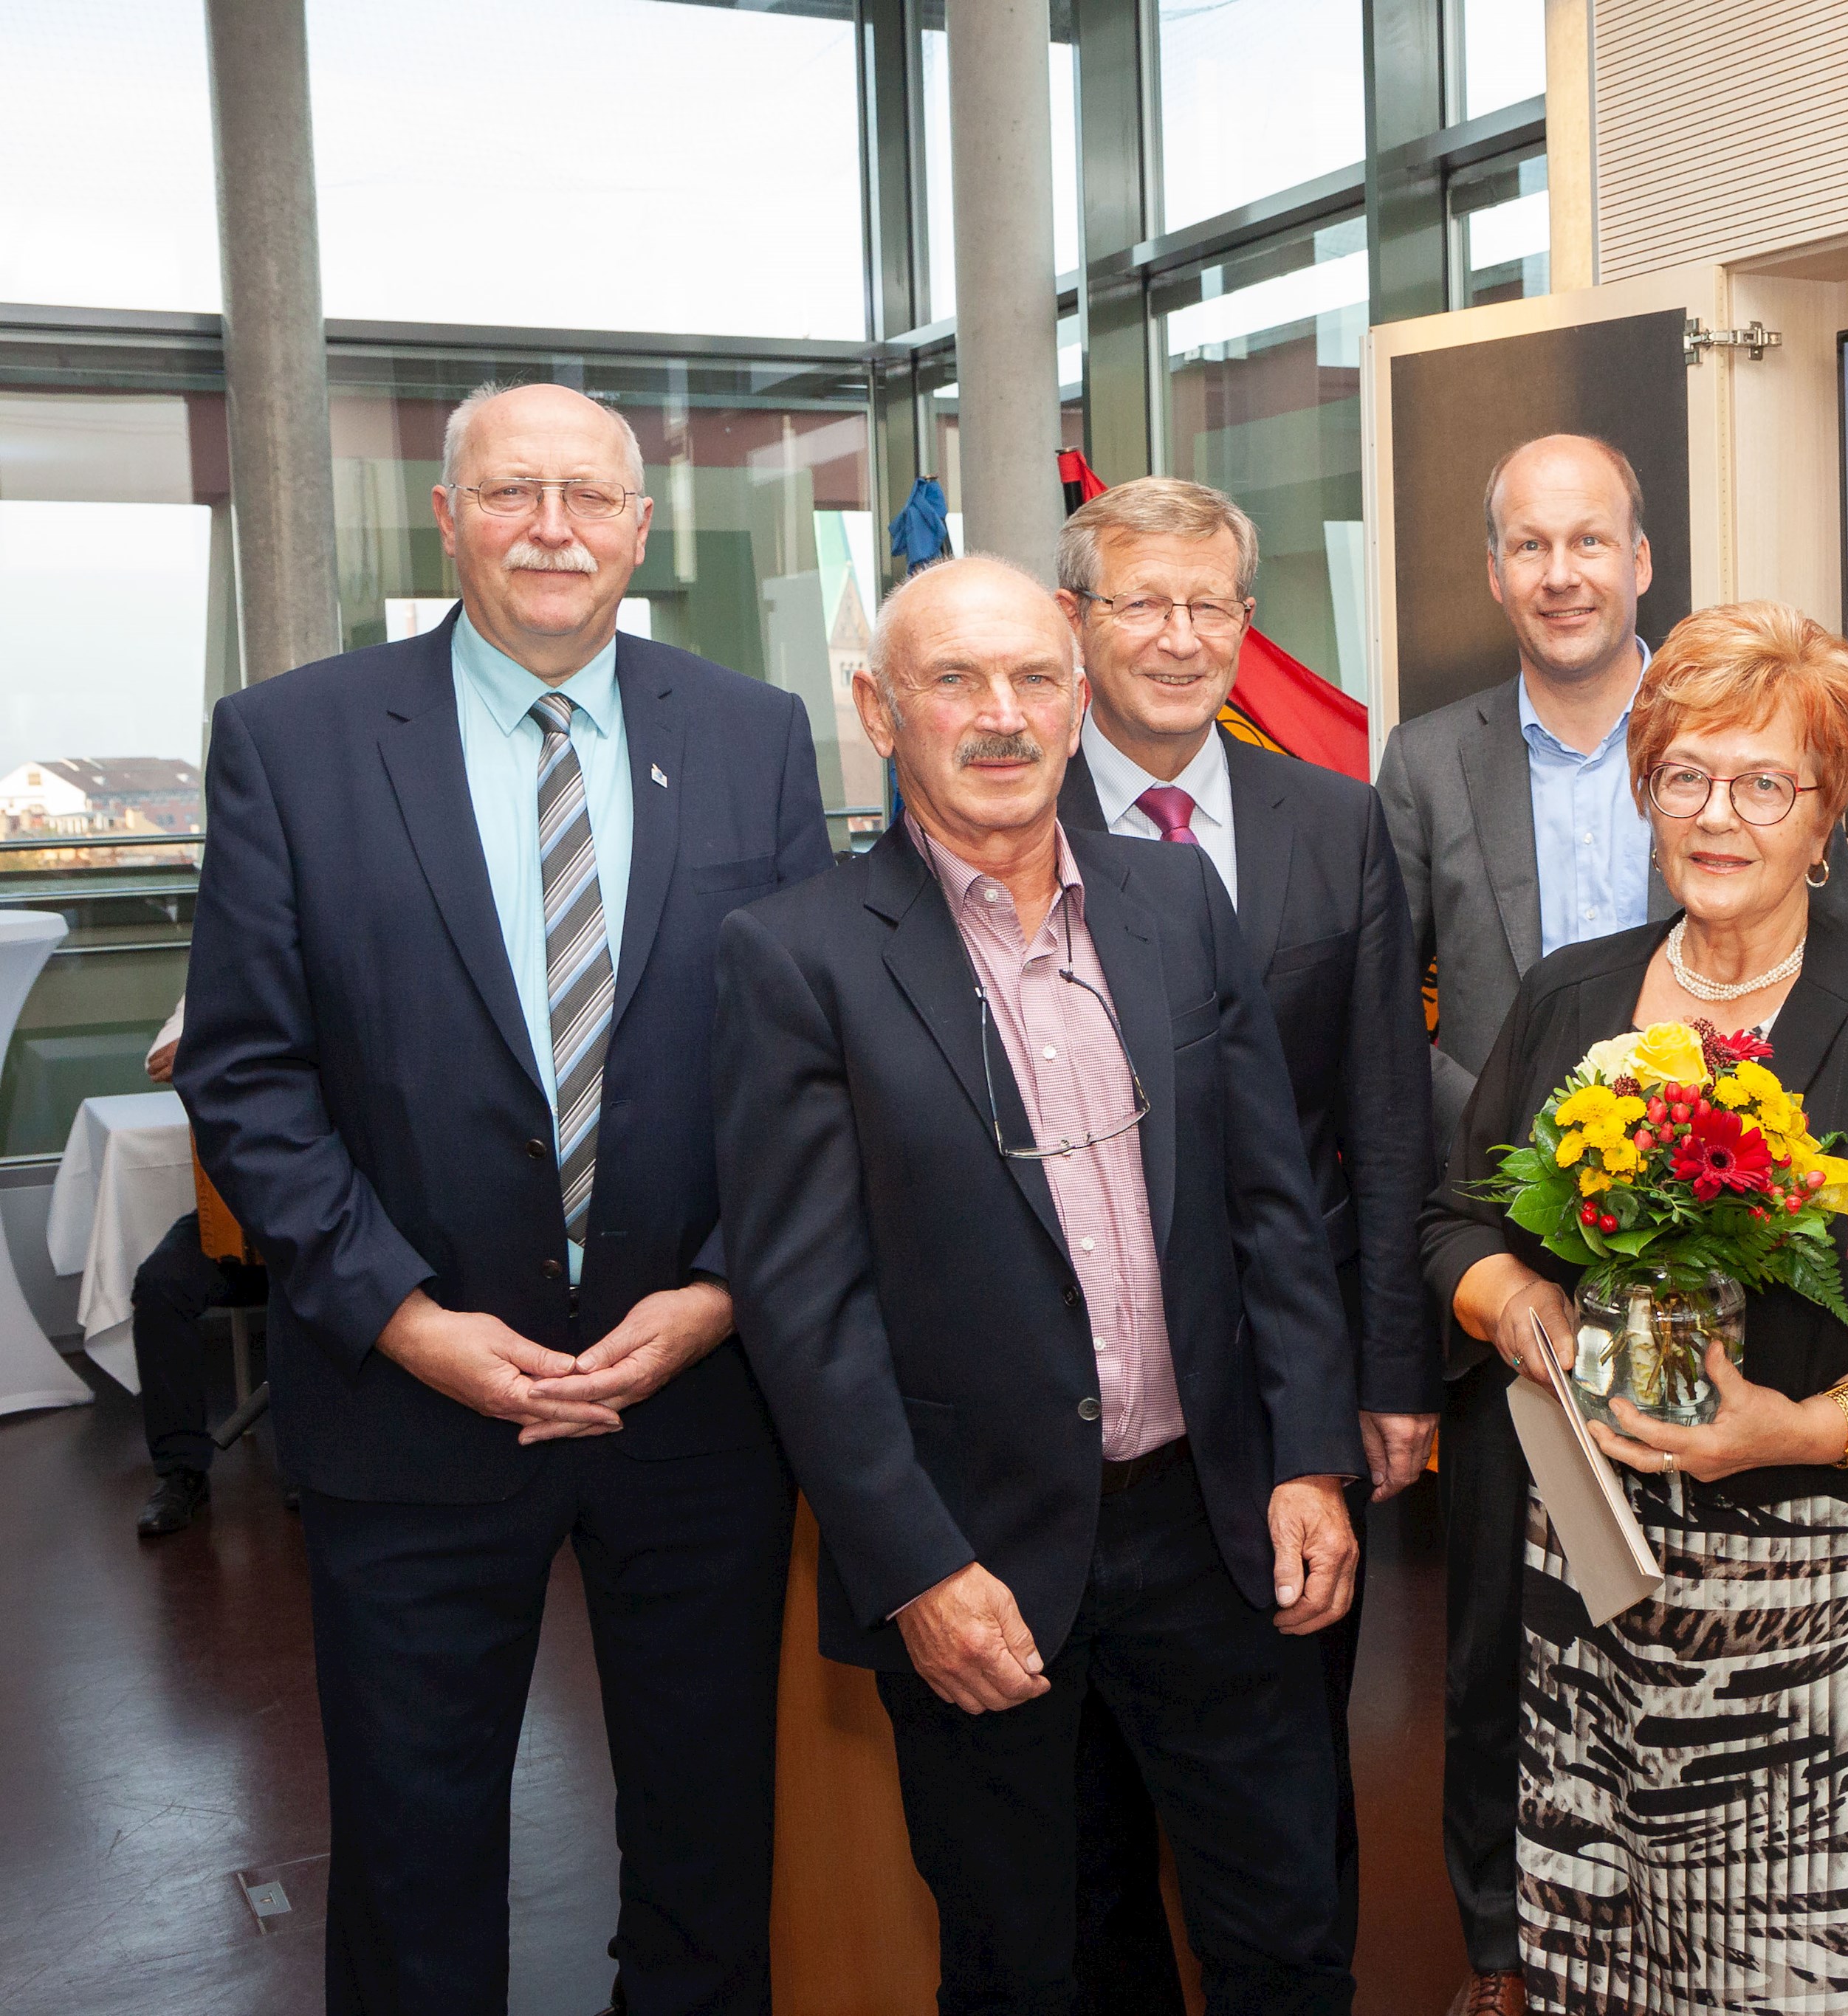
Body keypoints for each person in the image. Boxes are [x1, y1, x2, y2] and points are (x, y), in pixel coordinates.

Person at [177, 380, 831, 2015]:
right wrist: (398, 1317)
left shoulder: (750, 733)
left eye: (590, 498)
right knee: (412, 1852)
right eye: (515, 492)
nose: (554, 527)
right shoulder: (293, 740)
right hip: (412, 1402)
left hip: (692, 1397)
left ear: (640, 530)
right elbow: (249, 1074)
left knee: (704, 1841)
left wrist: (726, 1290)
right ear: (451, 517)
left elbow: (814, 1060)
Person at [710, 554, 1367, 2016]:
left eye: (1028, 679)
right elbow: (804, 1317)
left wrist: (1311, 1456)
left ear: (1077, 700)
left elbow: (1273, 1204)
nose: (998, 717)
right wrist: (919, 1575)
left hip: (1215, 1526)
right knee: (1036, 1962)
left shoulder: (1174, 898)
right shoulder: (795, 958)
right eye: (954, 681)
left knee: (1283, 1931)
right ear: (883, 712)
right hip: (982, 1559)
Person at [1421, 601, 1848, 2012]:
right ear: (1647, 792)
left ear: (1825, 819)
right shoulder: (1571, 995)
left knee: (1801, 1980)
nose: (1720, 815)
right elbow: (1455, 1222)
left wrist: (1800, 1427)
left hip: (1812, 1618)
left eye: (1767, 784)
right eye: (1688, 775)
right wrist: (1533, 1316)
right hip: (1588, 1585)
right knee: (1601, 1959)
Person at [1375, 433, 1848, 2016]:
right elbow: (1395, 1020)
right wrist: (1516, 1250)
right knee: (1506, 1666)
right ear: (1498, 569)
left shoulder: (1754, 735)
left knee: (1717, 1711)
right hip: (1520, 1283)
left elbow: (1839, 1030)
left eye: (1590, 540)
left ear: (1640, 557)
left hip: (1758, 1346)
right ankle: (1514, 1953)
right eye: (1529, 545)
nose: (1562, 572)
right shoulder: (1428, 759)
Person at [1050, 475, 1440, 2005]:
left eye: (1211, 603)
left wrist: (1389, 1375)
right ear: (1076, 623)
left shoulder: (1332, 820)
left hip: (1287, 1396)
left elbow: (1387, 1118)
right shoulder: (1008, 807)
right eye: (1142, 601)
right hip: (1078, 1424)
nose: (1179, 635)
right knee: (1087, 1840)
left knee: (1283, 1809)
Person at [127, 1002, 269, 1538]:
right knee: (161, 1284)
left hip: (318, 1213)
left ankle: (310, 1469)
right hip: (234, 1214)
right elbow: (160, 1059)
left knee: (306, 1285)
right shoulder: (215, 979)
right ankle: (181, 1471)